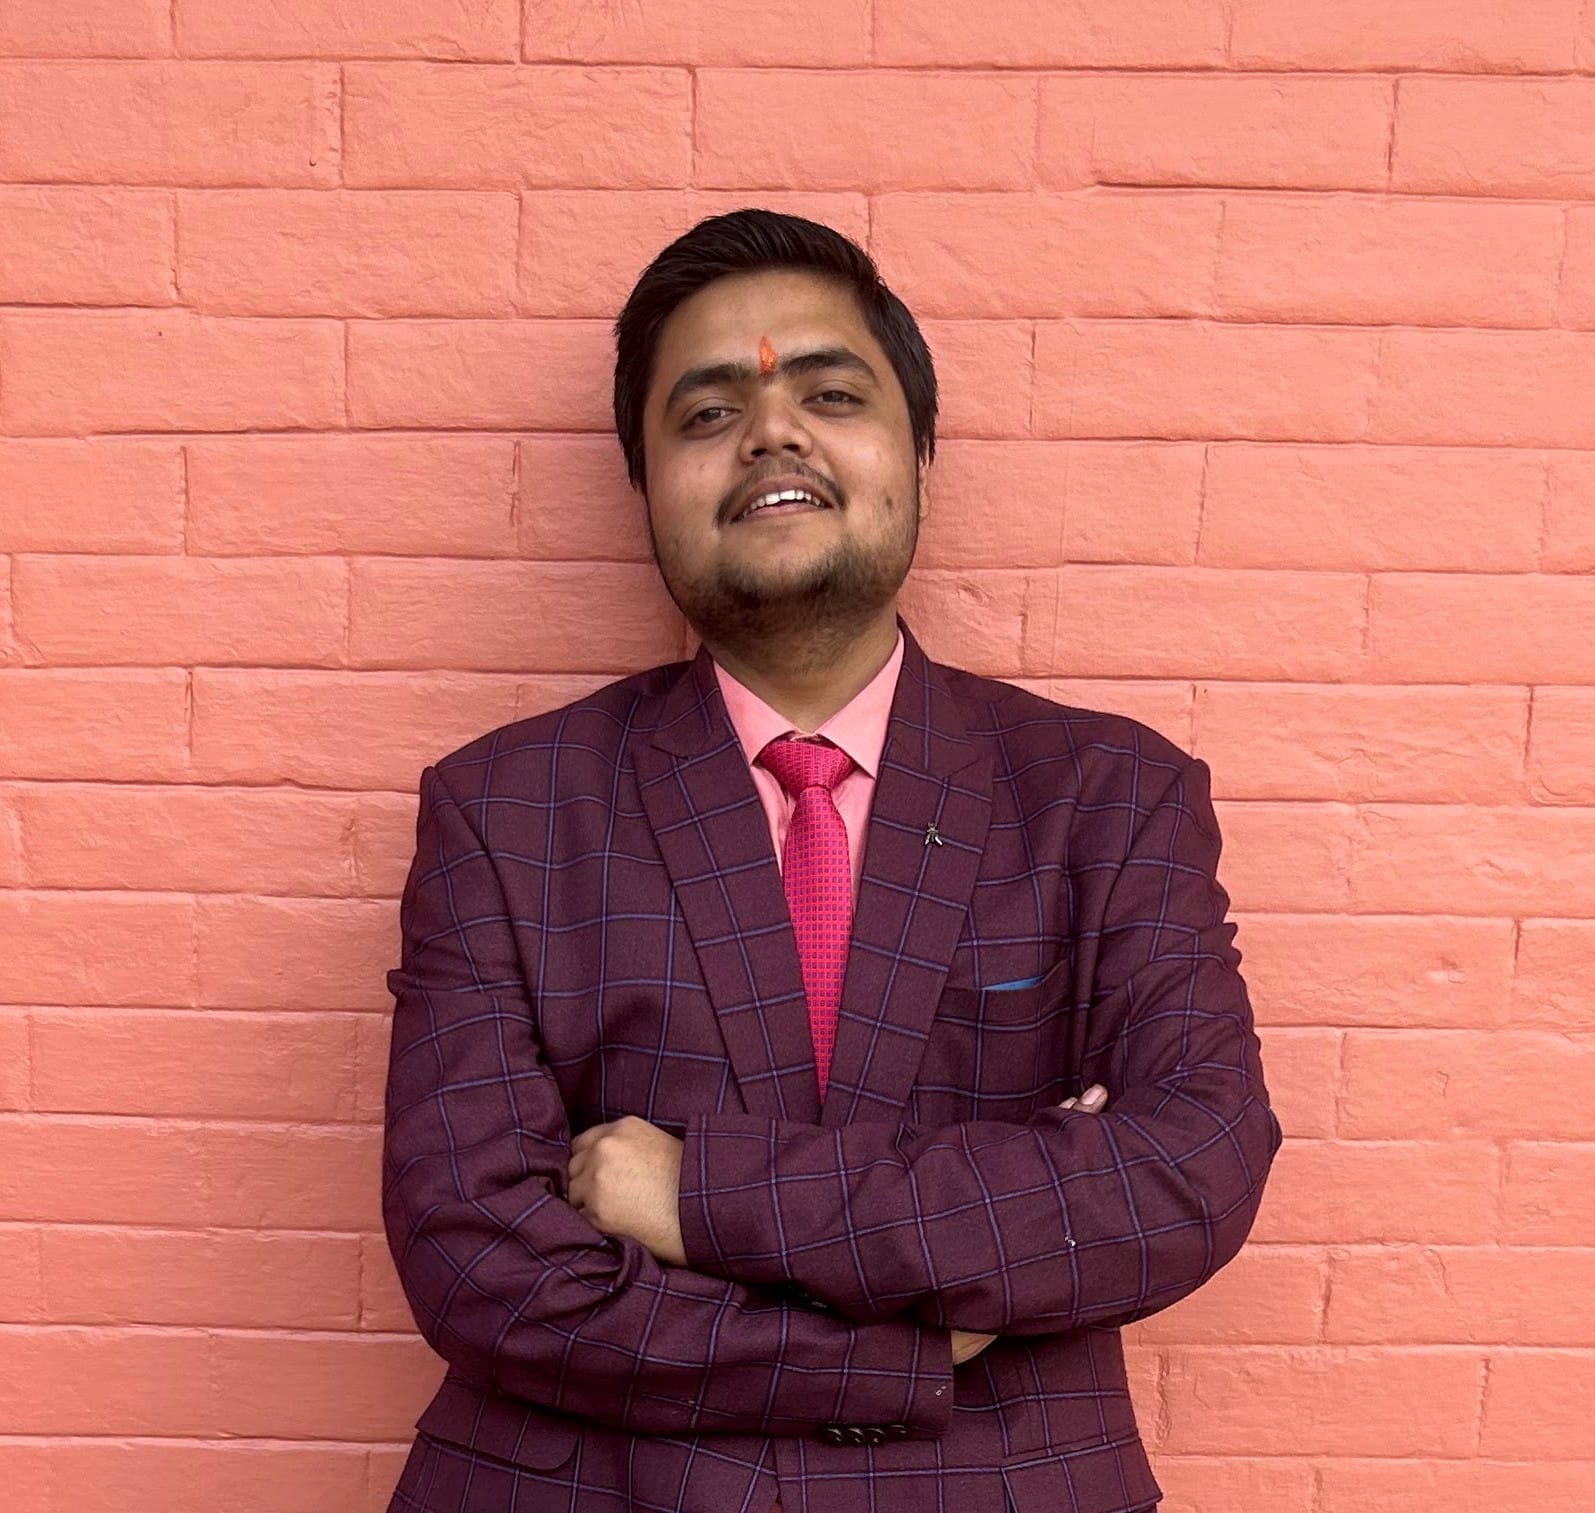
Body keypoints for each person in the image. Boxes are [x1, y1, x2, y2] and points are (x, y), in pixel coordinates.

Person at [380, 209, 1281, 1513]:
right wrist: (897, 1346)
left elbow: (1188, 1170)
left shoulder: (1105, 798)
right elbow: (478, 1261)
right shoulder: (506, 812)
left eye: (832, 393)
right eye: (706, 413)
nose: (771, 433)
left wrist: (701, 1192)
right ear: (645, 487)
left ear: (919, 452)